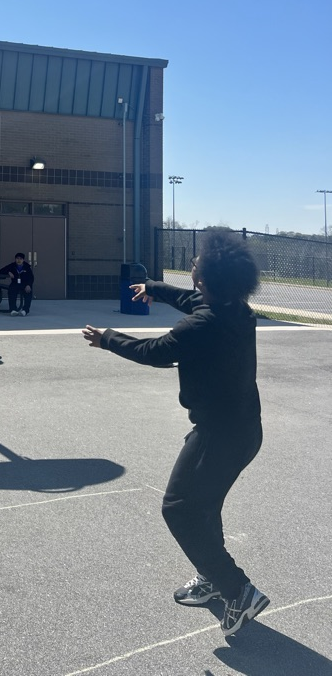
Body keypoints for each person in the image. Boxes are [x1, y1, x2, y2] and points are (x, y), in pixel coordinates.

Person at [82, 229, 269, 637]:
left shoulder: (201, 325)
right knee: (204, 506)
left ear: (207, 278)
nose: (193, 264)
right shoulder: (235, 309)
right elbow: (189, 299)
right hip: (243, 429)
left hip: (219, 435)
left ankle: (237, 590)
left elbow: (154, 352)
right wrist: (152, 287)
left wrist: (108, 339)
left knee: (179, 508)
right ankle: (212, 576)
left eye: (197, 263)